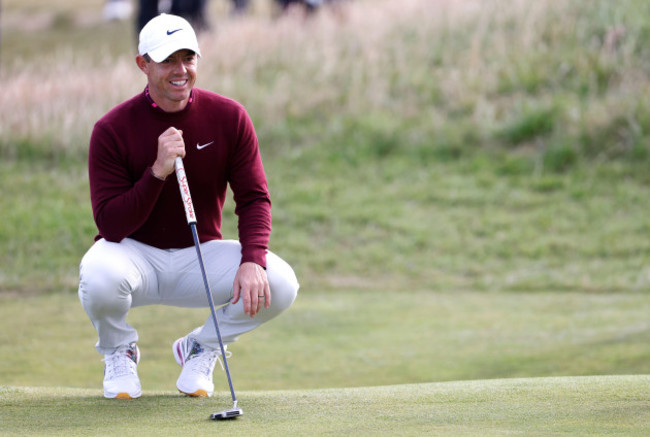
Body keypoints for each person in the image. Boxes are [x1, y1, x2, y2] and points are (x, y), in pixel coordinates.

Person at [78, 13, 299, 400]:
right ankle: (119, 351)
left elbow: (254, 198)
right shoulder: (112, 129)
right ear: (142, 64)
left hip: (201, 257)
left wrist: (252, 259)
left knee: (278, 283)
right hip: (134, 258)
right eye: (167, 60)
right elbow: (111, 225)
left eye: (188, 58)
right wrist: (157, 173)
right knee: (97, 275)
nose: (180, 70)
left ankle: (203, 346)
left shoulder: (229, 117)